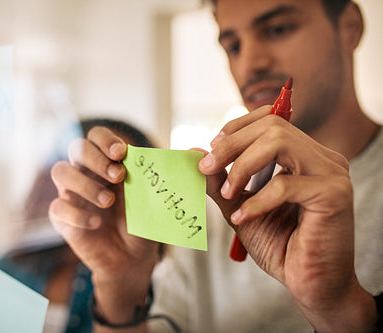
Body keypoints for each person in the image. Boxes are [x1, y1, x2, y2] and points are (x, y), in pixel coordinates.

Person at [49, 0, 382, 332]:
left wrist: (342, 309)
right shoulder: (212, 206)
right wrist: (119, 288)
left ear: (350, 26)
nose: (250, 64)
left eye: (278, 29)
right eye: (233, 46)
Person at [0, 118, 154, 333]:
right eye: (87, 169)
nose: (106, 183)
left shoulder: (156, 277)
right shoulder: (11, 266)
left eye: (124, 173)